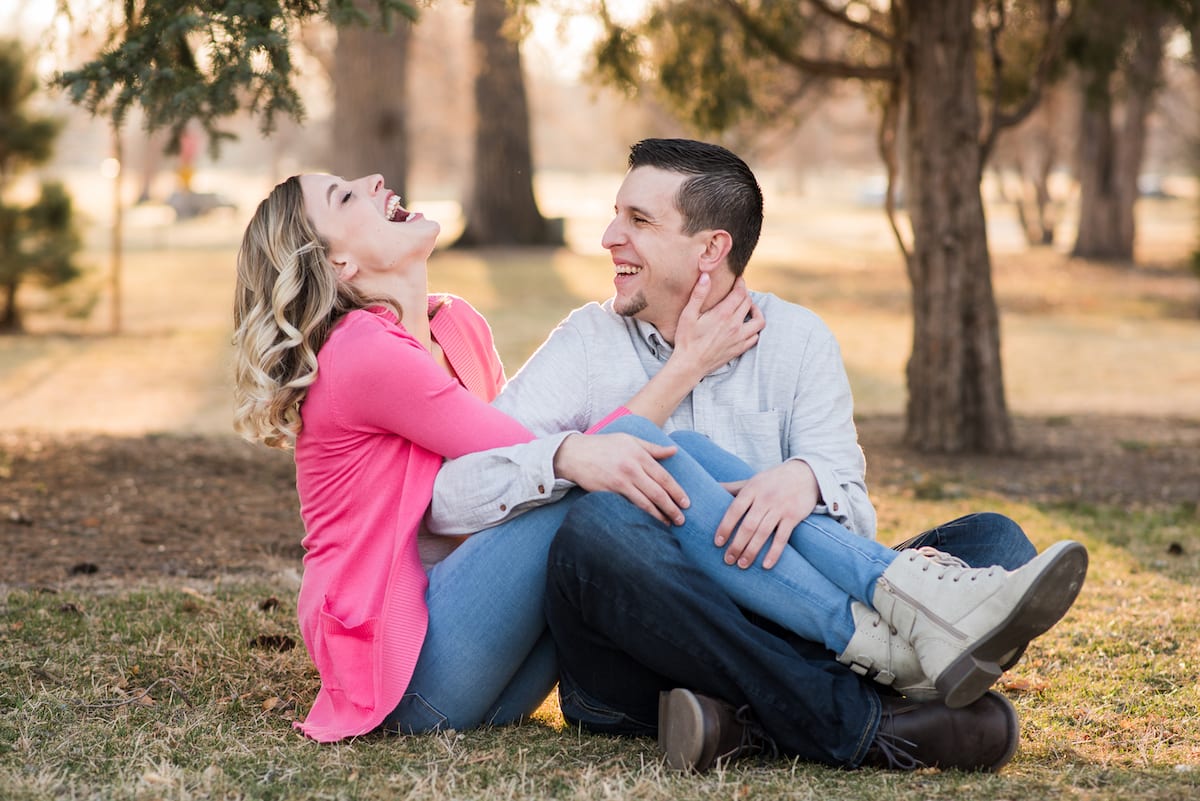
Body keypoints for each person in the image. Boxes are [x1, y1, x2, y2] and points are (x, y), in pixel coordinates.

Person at [426, 139, 1088, 772]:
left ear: (712, 247)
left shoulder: (798, 339)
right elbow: (455, 493)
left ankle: (739, 723)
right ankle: (865, 718)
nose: (607, 237)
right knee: (597, 530)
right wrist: (570, 456)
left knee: (996, 538)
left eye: (638, 220)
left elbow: (853, 523)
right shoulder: (588, 342)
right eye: (615, 214)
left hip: (788, 633)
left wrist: (803, 482)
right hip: (644, 655)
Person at [231, 171, 763, 742]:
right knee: (597, 486)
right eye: (344, 196)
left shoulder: (456, 325)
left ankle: (775, 660)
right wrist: (685, 367)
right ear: (339, 265)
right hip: (410, 681)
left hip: (498, 666)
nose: (373, 179)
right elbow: (545, 460)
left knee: (634, 487)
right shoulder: (361, 352)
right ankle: (845, 595)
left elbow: (513, 471)